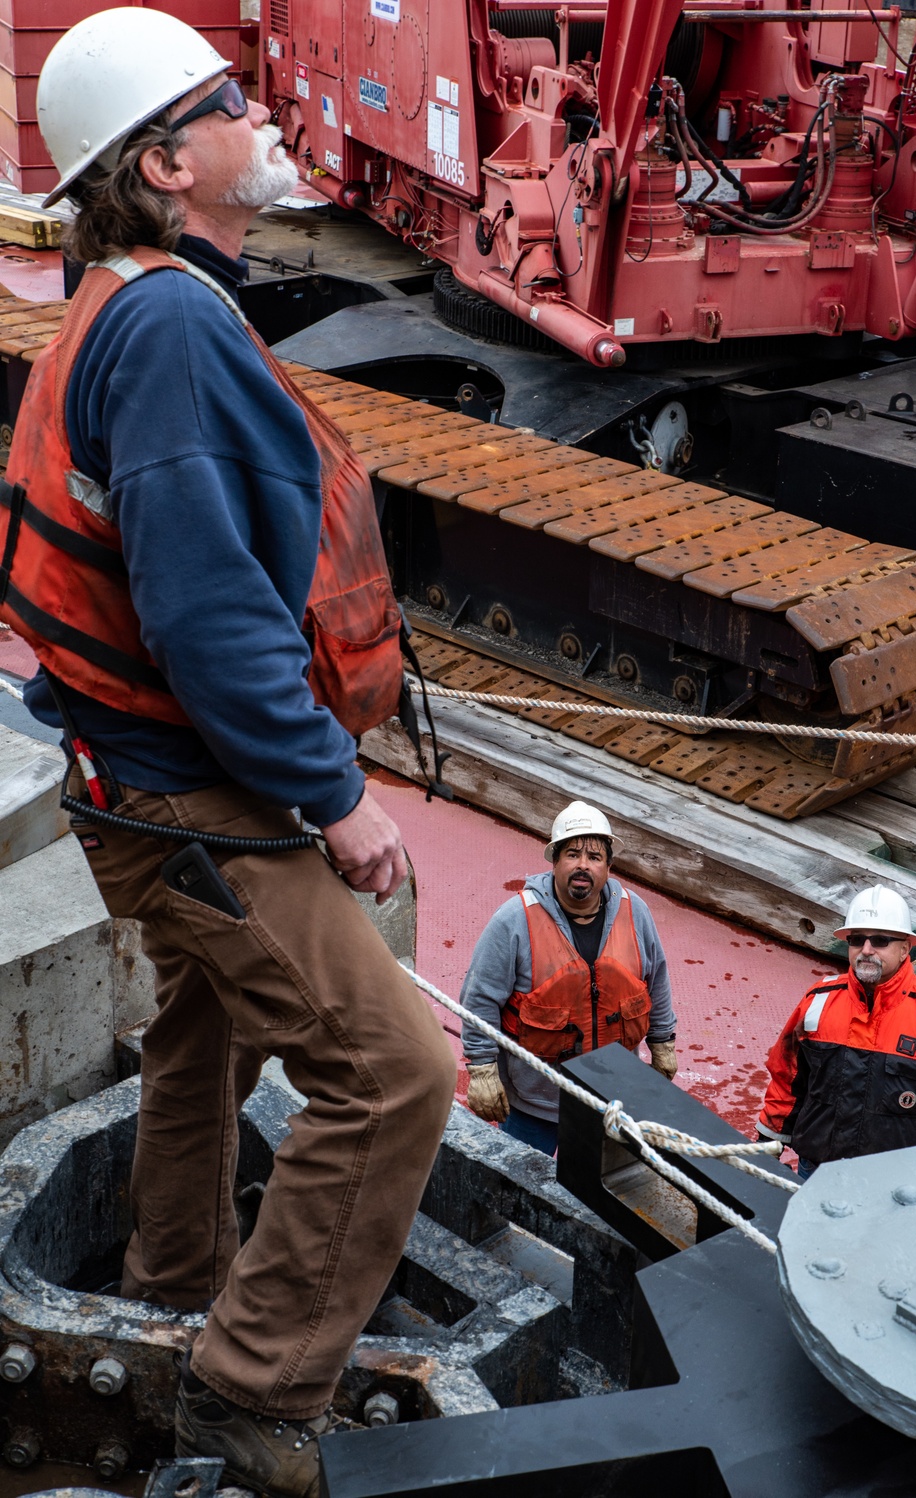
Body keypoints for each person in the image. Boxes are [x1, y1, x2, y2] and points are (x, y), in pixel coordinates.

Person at [0, 11, 456, 1496]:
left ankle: (173, 1270)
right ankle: (251, 1391)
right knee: (393, 1076)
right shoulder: (174, 329)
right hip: (191, 789)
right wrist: (338, 799)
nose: (261, 117)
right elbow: (205, 616)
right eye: (230, 104)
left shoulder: (126, 301)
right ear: (164, 160)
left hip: (133, 779)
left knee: (208, 1017)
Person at [460, 800, 677, 1154]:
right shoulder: (514, 920)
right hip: (535, 1104)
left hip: (613, 1099)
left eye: (594, 857)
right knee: (517, 1196)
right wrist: (482, 1070)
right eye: (572, 854)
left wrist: (663, 1043)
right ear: (554, 861)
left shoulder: (635, 911)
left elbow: (657, 982)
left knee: (602, 1198)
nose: (582, 865)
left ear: (609, 866)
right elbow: (479, 1000)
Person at [757, 884, 916, 1180]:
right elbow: (786, 1076)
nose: (866, 950)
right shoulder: (818, 1002)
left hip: (899, 1185)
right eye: (857, 940)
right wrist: (768, 1142)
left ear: (905, 947)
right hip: (816, 1172)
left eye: (880, 940)